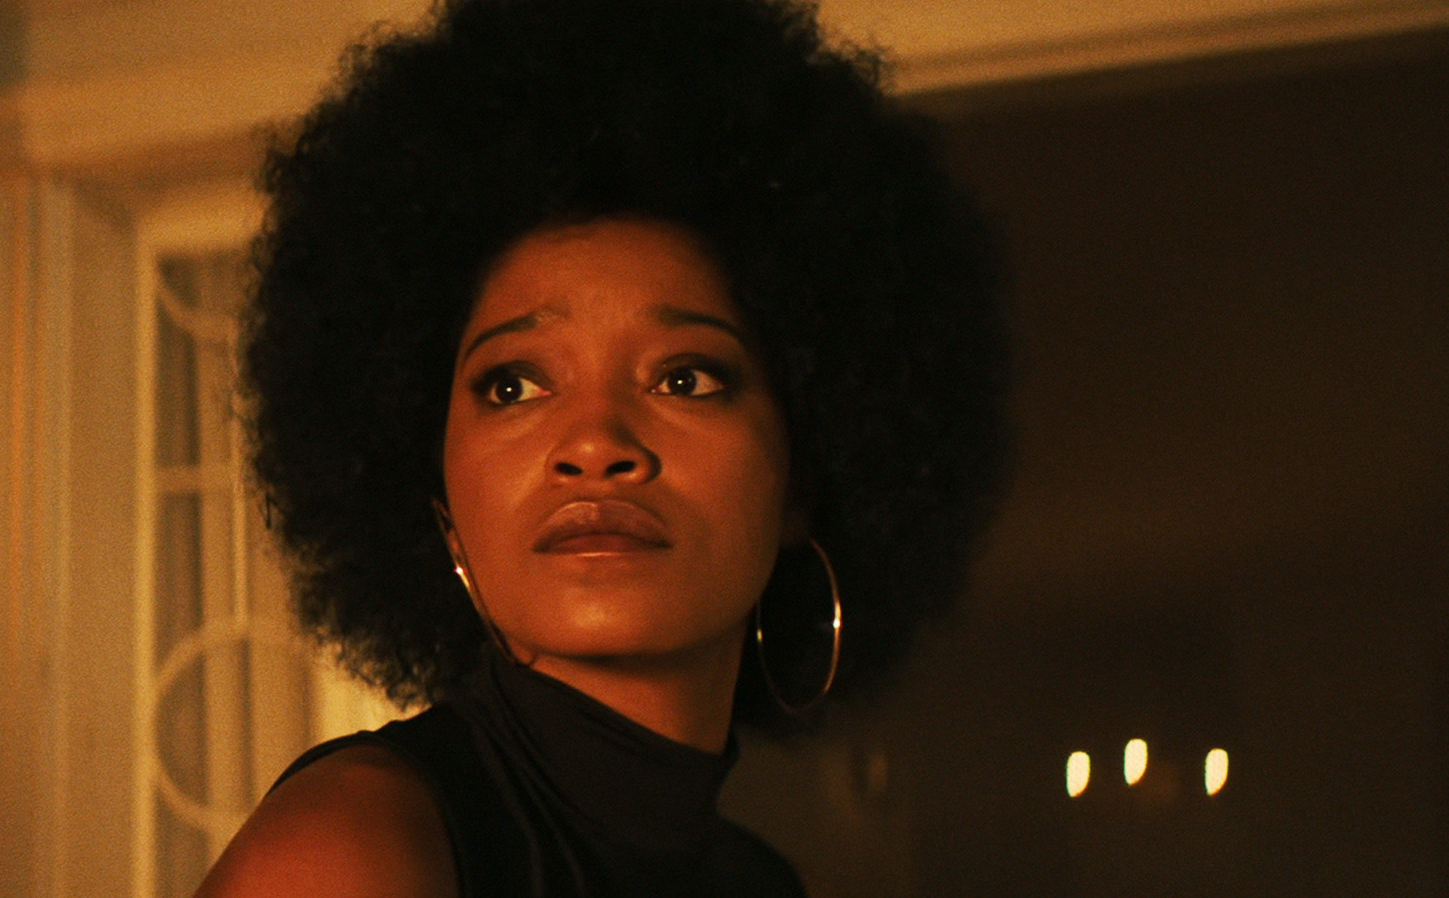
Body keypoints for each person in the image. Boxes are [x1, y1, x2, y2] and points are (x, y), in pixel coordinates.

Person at [197, 0, 1009, 894]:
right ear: (441, 507)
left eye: (685, 378)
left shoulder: (763, 884)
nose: (594, 443)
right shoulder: (351, 850)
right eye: (513, 386)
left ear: (800, 485)